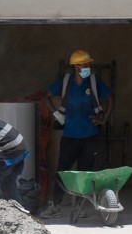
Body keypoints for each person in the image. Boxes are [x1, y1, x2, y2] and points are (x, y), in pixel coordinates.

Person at [46, 49, 113, 207]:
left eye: (89, 64)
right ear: (76, 66)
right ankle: (55, 205)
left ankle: (80, 206)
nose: (88, 67)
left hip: (89, 136)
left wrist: (104, 120)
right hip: (69, 136)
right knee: (63, 172)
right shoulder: (65, 81)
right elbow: (46, 96)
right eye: (85, 65)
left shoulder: (94, 82)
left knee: (85, 173)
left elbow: (111, 98)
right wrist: (56, 114)